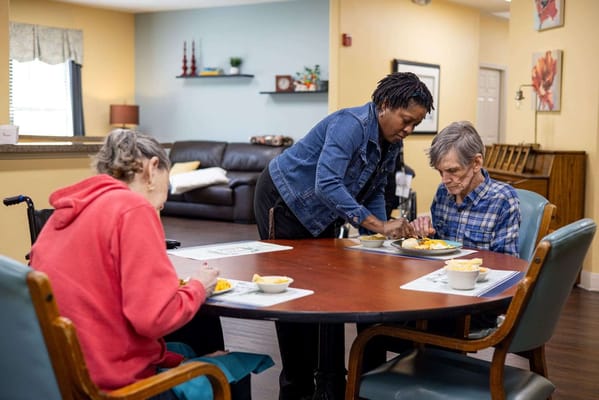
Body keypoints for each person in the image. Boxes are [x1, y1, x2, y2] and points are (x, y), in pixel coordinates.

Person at [30, 129, 271, 400]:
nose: (162, 205)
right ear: (153, 167)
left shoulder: (66, 211)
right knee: (235, 366)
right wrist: (199, 286)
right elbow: (155, 318)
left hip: (63, 373)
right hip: (114, 385)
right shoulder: (133, 208)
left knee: (192, 342)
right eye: (165, 187)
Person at [254, 72, 434, 400]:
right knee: (291, 296)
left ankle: (330, 385)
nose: (408, 130)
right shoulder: (349, 125)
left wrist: (382, 237)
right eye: (406, 121)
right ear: (384, 105)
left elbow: (374, 189)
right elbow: (327, 184)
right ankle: (296, 388)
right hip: (284, 202)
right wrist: (380, 226)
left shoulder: (391, 142)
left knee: (326, 292)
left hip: (322, 210)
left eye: (415, 125)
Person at [410, 120, 520, 255]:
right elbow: (436, 248)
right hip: (440, 274)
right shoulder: (442, 192)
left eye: (453, 171)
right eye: (440, 172)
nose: (444, 180)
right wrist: (423, 233)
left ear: (476, 163)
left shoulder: (503, 199)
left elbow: (506, 264)